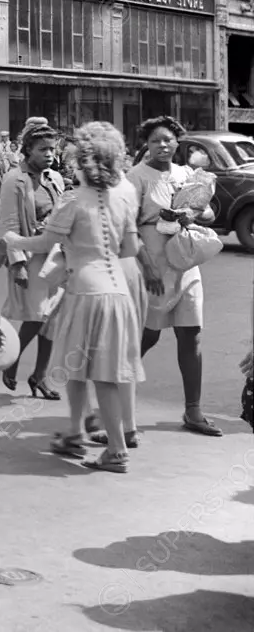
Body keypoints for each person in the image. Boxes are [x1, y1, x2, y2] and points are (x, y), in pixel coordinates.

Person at [5, 122, 145, 473]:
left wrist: (11, 239)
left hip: (85, 290)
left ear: (83, 161)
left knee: (87, 371)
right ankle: (75, 432)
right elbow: (130, 247)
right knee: (92, 371)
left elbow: (42, 244)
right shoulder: (122, 197)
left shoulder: (73, 199)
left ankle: (113, 449)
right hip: (117, 294)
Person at [128, 116, 221, 437]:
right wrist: (148, 266)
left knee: (191, 332)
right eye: (155, 141)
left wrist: (191, 213)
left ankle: (193, 411)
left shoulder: (188, 175)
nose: (163, 146)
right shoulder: (136, 177)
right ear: (147, 145)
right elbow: (126, 227)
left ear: (178, 142)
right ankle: (111, 398)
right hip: (152, 259)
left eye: (168, 140)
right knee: (148, 335)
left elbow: (209, 211)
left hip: (184, 258)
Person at [0, 117, 66, 399]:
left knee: (51, 319)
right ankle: (11, 362)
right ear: (28, 150)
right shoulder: (15, 179)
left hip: (57, 256)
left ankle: (40, 375)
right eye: (42, 149)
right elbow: (10, 225)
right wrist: (18, 264)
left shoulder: (55, 178)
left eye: (52, 149)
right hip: (31, 254)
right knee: (37, 316)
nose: (49, 154)